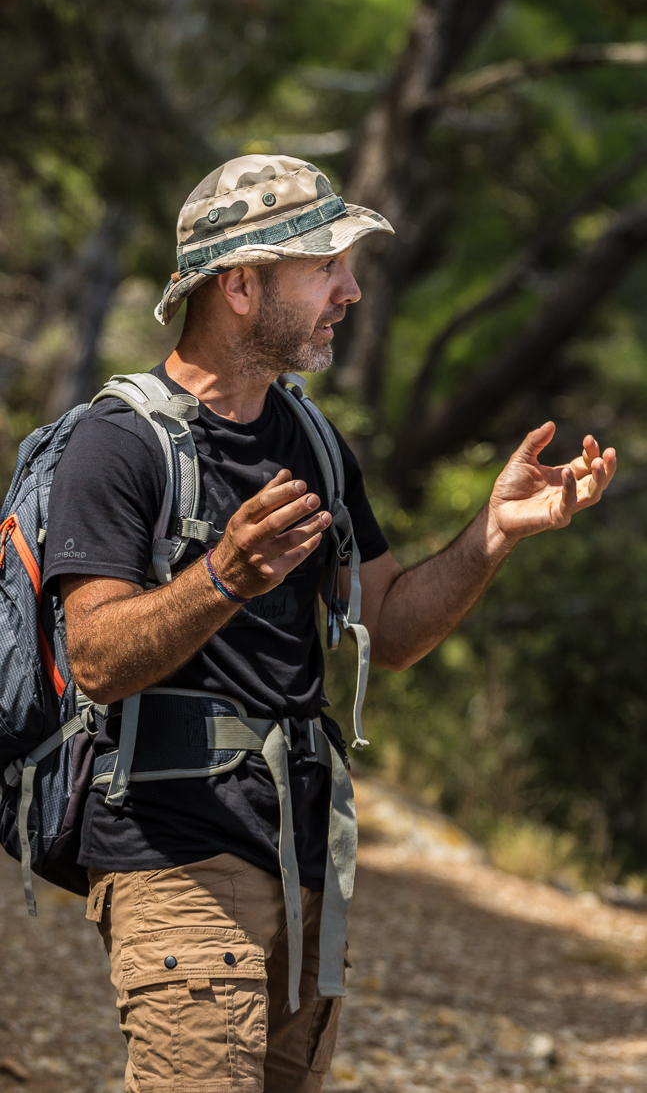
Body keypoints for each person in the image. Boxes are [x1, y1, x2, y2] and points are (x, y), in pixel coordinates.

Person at [43, 154, 616, 1093]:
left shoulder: (311, 439)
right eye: (325, 267)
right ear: (239, 284)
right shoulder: (118, 444)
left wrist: (492, 532)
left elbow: (386, 629)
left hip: (303, 860)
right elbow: (97, 657)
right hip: (174, 858)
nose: (348, 291)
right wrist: (222, 576)